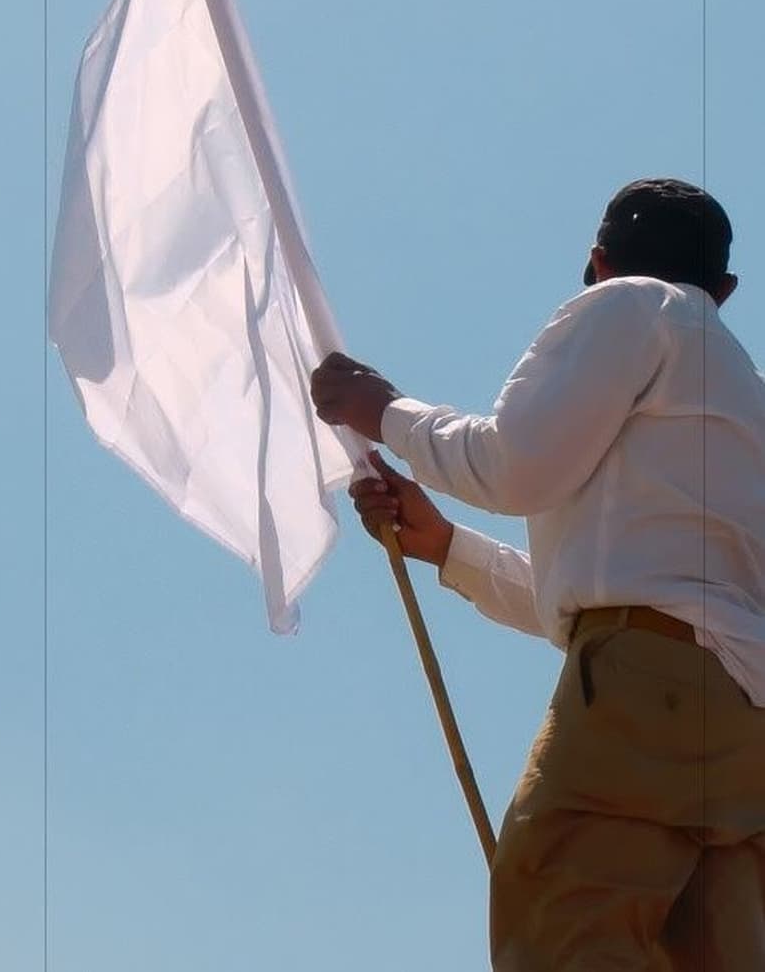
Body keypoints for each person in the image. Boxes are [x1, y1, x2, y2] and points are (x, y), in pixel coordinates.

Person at [309, 177, 765, 971]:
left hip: (649, 695)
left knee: (556, 931)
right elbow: (639, 591)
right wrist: (452, 549)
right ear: (724, 289)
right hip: (742, 733)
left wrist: (381, 408)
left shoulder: (631, 306)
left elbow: (513, 469)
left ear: (597, 264)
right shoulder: (743, 406)